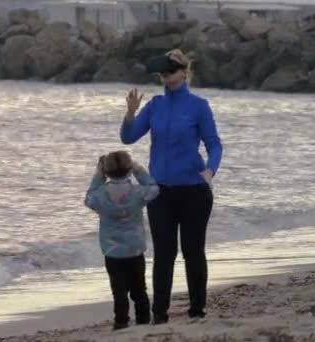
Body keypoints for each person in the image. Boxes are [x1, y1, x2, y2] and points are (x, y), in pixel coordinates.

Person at [119, 49, 223, 324]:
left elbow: (214, 143)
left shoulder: (199, 106)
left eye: (171, 70)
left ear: (184, 72)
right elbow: (128, 138)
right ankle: (159, 314)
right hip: (160, 192)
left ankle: (197, 310)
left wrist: (211, 168)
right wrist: (130, 114)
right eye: (162, 72)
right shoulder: (154, 106)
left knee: (192, 251)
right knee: (164, 254)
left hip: (193, 190)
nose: (166, 75)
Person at [84, 151, 159, 330]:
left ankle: (121, 321)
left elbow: (88, 198)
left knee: (118, 290)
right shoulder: (138, 192)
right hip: (135, 249)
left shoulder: (100, 195)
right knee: (139, 288)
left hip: (112, 251)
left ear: (106, 173)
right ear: (129, 170)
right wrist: (138, 169)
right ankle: (143, 320)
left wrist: (98, 175)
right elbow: (154, 188)